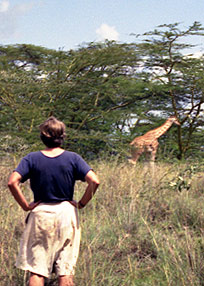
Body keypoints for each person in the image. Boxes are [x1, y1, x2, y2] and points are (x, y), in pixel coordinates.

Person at [8, 116, 100, 286]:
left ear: (43, 137)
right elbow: (94, 181)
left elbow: (12, 181)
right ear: (62, 137)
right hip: (67, 213)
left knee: (37, 269)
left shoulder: (31, 158)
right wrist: (80, 204)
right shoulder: (73, 158)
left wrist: (26, 206)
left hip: (41, 213)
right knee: (65, 270)